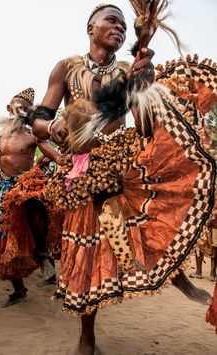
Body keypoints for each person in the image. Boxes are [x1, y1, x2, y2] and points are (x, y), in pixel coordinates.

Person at [26, 4, 215, 353]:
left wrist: (143, 89)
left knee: (151, 222)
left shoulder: (129, 69)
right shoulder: (67, 67)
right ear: (91, 26)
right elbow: (39, 119)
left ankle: (177, 275)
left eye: (124, 25)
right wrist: (55, 128)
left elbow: (143, 125)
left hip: (122, 162)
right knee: (87, 252)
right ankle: (88, 336)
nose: (119, 27)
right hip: (81, 169)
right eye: (111, 20)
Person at [0, 87, 60, 307]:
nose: (21, 111)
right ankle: (19, 289)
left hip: (27, 186)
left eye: (26, 109)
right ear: (9, 108)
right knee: (3, 241)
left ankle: (43, 253)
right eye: (18, 107)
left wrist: (67, 160)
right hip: (4, 192)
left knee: (35, 205)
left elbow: (53, 154)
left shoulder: (33, 136)